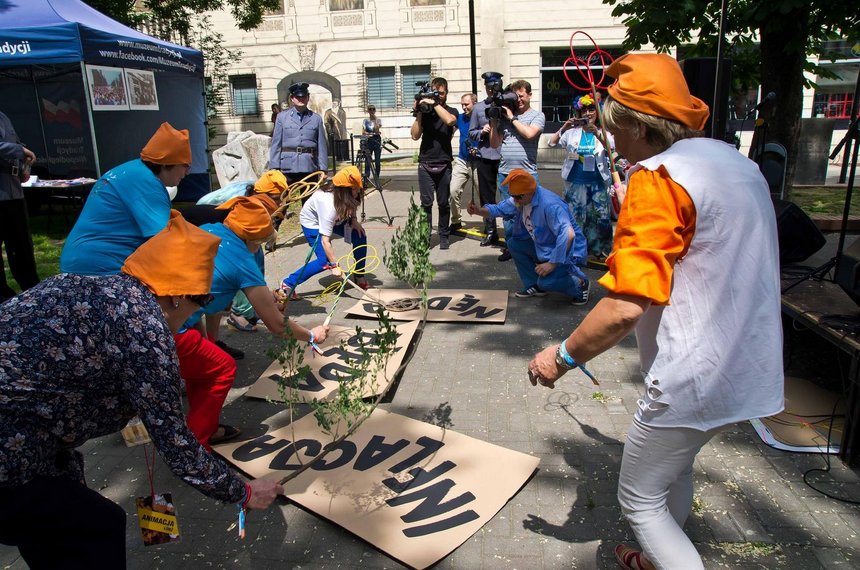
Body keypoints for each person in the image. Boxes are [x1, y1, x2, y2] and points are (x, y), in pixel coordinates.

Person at [526, 54, 784, 570]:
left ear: (639, 126)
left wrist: (561, 356)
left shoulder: (659, 178)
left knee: (641, 499)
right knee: (674, 469)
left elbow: (623, 307)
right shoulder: (735, 163)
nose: (612, 140)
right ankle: (656, 559)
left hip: (693, 375)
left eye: (614, 128)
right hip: (746, 365)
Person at [0, 213, 284, 567]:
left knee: (55, 526)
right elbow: (176, 444)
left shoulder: (84, 284)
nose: (196, 316)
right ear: (179, 297)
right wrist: (243, 492)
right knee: (97, 525)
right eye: (203, 303)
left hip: (33, 440)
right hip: (11, 450)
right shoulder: (147, 333)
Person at [176, 199, 329, 449]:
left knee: (203, 365)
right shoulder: (242, 259)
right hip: (167, 325)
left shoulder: (209, 229)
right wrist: (311, 335)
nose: (259, 248)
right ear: (252, 240)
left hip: (157, 309)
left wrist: (266, 298)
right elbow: (277, 325)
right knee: (222, 367)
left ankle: (205, 424)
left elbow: (213, 291)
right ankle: (195, 445)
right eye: (259, 243)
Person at [59, 121, 191, 275]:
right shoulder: (147, 184)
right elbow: (163, 241)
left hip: (79, 260)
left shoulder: (131, 170)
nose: (187, 173)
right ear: (167, 164)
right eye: (185, 166)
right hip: (100, 267)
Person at [468, 169, 589, 304]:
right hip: (545, 245)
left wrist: (552, 263)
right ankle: (534, 285)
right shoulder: (521, 198)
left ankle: (580, 285)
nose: (514, 200)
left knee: (547, 283)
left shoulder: (550, 205)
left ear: (529, 192)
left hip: (568, 251)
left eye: (517, 197)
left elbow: (568, 235)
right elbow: (499, 209)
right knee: (514, 244)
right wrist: (478, 211)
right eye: (512, 196)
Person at [281, 166, 369, 295]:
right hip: (313, 224)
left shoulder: (346, 194)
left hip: (336, 219)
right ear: (344, 190)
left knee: (359, 236)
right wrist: (334, 265)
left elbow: (353, 202)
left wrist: (354, 220)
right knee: (324, 261)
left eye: (357, 188)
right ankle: (288, 283)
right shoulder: (328, 205)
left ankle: (359, 275)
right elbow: (325, 241)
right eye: (354, 189)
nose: (357, 191)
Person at [548, 94, 615, 259]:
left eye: (591, 109)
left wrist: (598, 134)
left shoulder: (603, 131)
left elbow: (612, 148)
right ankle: (577, 250)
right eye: (583, 110)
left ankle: (601, 250)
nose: (588, 113)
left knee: (600, 217)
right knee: (577, 217)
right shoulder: (572, 133)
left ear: (597, 111)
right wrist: (564, 127)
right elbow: (552, 142)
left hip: (598, 182)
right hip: (575, 182)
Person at [489, 79, 545, 262]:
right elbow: (494, 143)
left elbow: (529, 134)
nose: (519, 100)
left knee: (531, 212)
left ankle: (532, 247)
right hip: (505, 173)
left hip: (527, 174)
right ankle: (511, 247)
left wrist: (512, 118)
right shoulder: (504, 118)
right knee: (508, 214)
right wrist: (494, 121)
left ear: (529, 95)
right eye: (515, 96)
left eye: (521, 96)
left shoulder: (537, 116)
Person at [410, 76, 458, 250]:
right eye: (436, 92)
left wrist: (435, 102)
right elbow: (415, 135)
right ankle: (425, 237)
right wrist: (421, 112)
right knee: (426, 203)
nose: (439, 96)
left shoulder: (451, 110)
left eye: (441, 93)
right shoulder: (425, 111)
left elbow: (450, 121)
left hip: (444, 162)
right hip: (425, 163)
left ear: (446, 93)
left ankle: (444, 236)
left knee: (444, 202)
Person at [0, 111, 39, 302]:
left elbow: (17, 144)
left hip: (13, 191)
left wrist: (24, 163)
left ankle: (31, 289)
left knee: (22, 245)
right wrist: (19, 152)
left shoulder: (3, 116)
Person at [469, 72, 504, 246]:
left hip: (505, 156)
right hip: (486, 155)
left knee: (509, 195)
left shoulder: (506, 104)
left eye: (494, 86)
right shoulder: (478, 108)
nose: (491, 90)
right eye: (488, 87)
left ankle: (513, 231)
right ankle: (491, 231)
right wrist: (481, 132)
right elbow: (471, 133)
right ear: (485, 88)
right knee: (487, 196)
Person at [269, 82, 329, 186]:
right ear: (292, 98)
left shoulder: (316, 119)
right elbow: (276, 144)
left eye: (303, 96)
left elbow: (322, 146)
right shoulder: (282, 117)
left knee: (309, 200)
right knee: (286, 200)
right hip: (287, 167)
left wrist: (323, 168)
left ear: (308, 97)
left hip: (309, 165)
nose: (301, 99)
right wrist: (274, 167)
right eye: (297, 97)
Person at [448, 92, 478, 233]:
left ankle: (489, 225)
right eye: (462, 105)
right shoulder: (460, 118)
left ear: (475, 103)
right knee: (453, 190)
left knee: (483, 195)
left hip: (478, 162)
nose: (464, 107)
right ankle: (456, 221)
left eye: (466, 104)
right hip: (462, 160)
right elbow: (451, 131)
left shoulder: (481, 118)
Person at [361, 105, 382, 183]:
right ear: (368, 111)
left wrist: (374, 119)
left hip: (376, 139)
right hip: (369, 140)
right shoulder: (365, 120)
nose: (372, 111)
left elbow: (377, 129)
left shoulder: (378, 120)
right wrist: (368, 132)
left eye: (373, 109)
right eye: (370, 109)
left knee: (377, 161)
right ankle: (366, 178)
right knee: (368, 160)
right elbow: (363, 131)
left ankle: (377, 178)